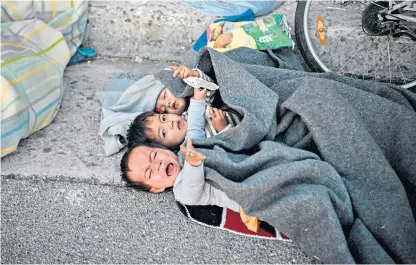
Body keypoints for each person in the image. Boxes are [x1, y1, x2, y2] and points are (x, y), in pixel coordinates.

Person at [120, 140, 260, 232]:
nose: (157, 165)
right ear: (157, 189)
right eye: (149, 173)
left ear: (164, 149)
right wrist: (193, 164)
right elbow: (193, 184)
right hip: (247, 198)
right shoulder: (181, 192)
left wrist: (197, 100)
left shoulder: (184, 151)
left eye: (155, 155)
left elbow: (195, 129)